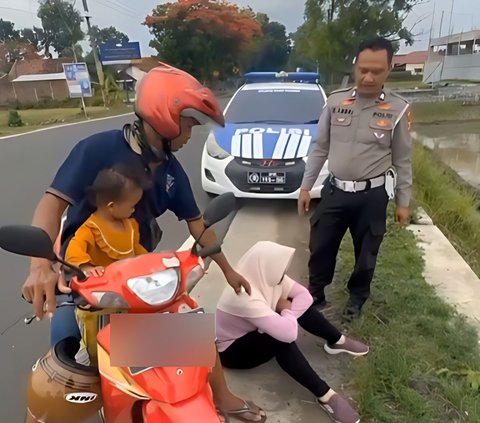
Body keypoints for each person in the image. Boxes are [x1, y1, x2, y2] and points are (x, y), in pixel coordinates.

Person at [21, 63, 265, 422]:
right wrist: (40, 265)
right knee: (64, 362)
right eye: (190, 124)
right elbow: (51, 204)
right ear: (165, 116)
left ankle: (222, 397)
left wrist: (228, 271)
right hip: (82, 274)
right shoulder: (97, 150)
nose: (190, 136)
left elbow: (199, 226)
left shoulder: (171, 171)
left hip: (133, 276)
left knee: (192, 329)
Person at [298, 36, 413, 321]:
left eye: (377, 70)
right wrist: (306, 186)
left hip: (371, 196)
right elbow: (320, 148)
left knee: (367, 252)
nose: (369, 77)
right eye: (363, 69)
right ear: (355, 66)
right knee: (321, 244)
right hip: (335, 191)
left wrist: (403, 202)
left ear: (389, 69)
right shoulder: (336, 102)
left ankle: (357, 298)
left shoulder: (398, 110)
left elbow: (402, 160)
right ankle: (316, 292)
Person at [216, 241, 368, 423]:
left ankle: (337, 340)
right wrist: (286, 311)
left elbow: (305, 296)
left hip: (253, 329)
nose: (283, 273)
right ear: (265, 265)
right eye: (280, 267)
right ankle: (326, 396)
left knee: (293, 304)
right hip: (232, 352)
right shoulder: (243, 295)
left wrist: (288, 311)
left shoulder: (265, 275)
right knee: (278, 339)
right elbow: (289, 334)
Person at [65, 165, 150, 276]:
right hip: (102, 283)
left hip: (128, 279)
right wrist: (86, 267)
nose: (134, 210)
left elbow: (136, 249)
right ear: (111, 206)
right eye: (132, 206)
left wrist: (150, 260)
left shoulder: (130, 226)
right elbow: (74, 249)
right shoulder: (91, 228)